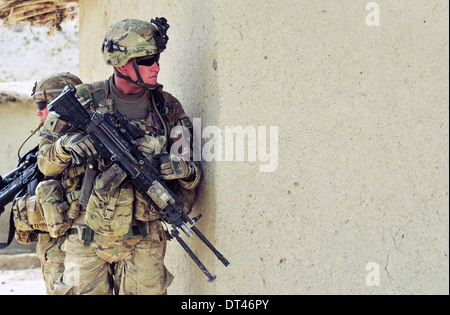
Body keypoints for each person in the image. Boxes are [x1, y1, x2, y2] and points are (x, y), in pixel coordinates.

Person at [37, 18, 202, 295]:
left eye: (157, 58)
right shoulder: (83, 99)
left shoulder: (167, 107)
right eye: (148, 60)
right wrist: (66, 145)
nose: (157, 67)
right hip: (86, 235)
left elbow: (193, 174)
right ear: (121, 61)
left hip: (145, 237)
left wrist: (182, 170)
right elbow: (45, 163)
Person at [12, 72, 83, 295]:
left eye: (43, 104)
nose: (38, 112)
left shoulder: (81, 148)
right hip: (50, 248)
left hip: (72, 249)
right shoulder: (43, 148)